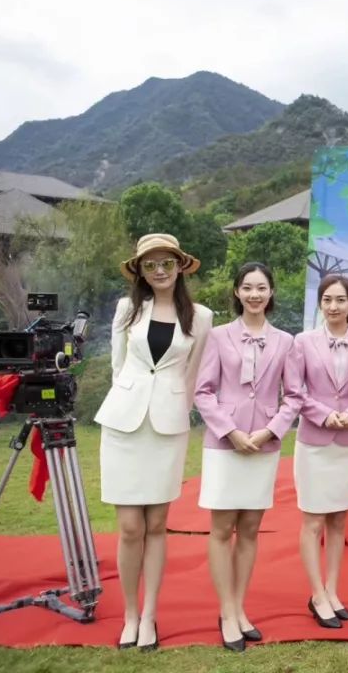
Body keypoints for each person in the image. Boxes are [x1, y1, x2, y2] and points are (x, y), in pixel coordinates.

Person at [95, 233, 213, 651]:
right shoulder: (127, 309)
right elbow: (118, 365)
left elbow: (192, 374)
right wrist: (133, 399)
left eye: (166, 263)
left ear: (180, 266)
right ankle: (129, 614)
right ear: (140, 271)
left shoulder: (201, 317)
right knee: (130, 527)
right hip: (123, 424)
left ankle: (149, 616)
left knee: (157, 525)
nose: (159, 271)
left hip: (167, 426)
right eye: (150, 264)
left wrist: (173, 406)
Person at [194, 262, 303, 652]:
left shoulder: (286, 341)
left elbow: (294, 397)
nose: (254, 294)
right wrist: (231, 431)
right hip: (225, 444)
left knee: (251, 529)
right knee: (223, 529)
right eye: (247, 287)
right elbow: (203, 392)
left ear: (271, 293)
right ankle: (226, 612)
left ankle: (240, 608)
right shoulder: (218, 336)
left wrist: (271, 430)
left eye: (261, 288)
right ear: (237, 292)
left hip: (263, 444)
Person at [290, 274, 348, 629]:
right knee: (313, 521)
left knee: (339, 520)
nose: (334, 306)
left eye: (340, 300)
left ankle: (333, 591)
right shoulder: (303, 342)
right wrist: (325, 415)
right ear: (320, 303)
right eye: (327, 300)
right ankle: (317, 594)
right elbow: (294, 391)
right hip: (314, 442)